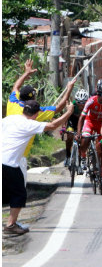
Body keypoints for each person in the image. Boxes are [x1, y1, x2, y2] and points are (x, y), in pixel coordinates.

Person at [3, 101, 74, 235]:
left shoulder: (9, 118)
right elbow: (53, 125)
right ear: (36, 114)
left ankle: (12, 224)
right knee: (19, 194)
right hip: (10, 163)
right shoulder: (30, 124)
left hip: (6, 161)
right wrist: (69, 112)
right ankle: (10, 225)